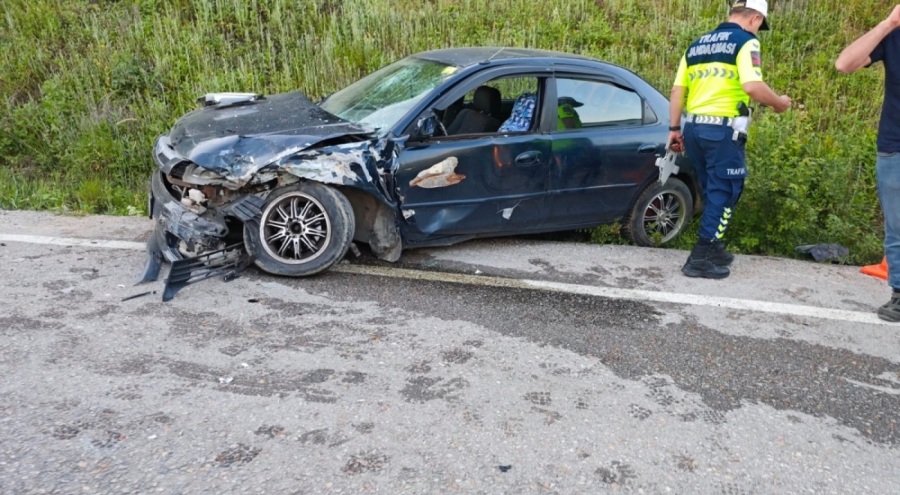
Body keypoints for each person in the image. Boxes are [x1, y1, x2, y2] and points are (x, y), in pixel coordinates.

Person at [668, 0, 791, 279]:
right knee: (726, 191)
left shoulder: (697, 44)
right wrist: (779, 104)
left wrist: (674, 128)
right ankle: (700, 256)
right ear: (755, 19)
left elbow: (678, 90)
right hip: (721, 132)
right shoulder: (746, 42)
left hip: (693, 128)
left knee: (712, 188)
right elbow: (752, 86)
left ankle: (715, 246)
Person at [835, 6, 900, 322]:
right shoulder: (893, 34)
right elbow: (844, 63)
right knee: (897, 228)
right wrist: (887, 23)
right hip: (895, 147)